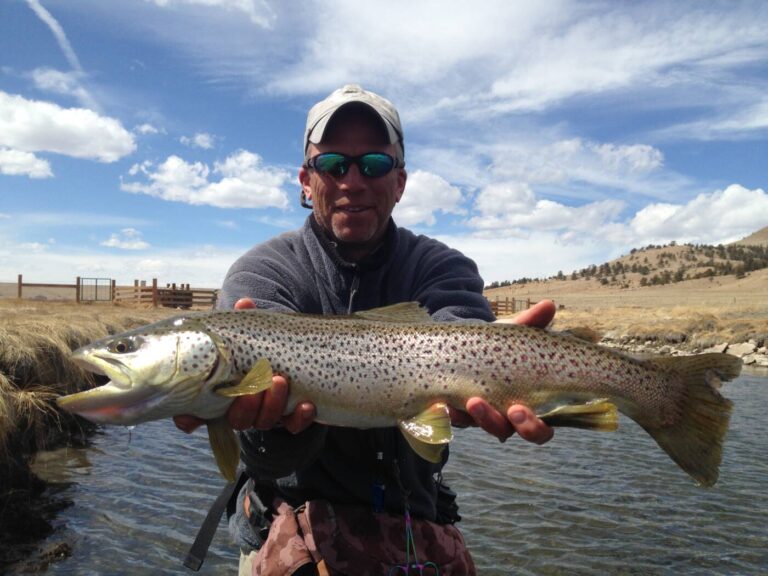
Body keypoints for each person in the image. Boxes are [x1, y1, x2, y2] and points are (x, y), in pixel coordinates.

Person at [176, 84, 554, 575]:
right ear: (306, 181)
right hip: (287, 522)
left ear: (399, 181)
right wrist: (271, 427)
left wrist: (504, 362)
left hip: (414, 521)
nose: (353, 180)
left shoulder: (441, 266)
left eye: (373, 164)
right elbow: (266, 460)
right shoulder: (262, 274)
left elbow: (457, 329)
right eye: (333, 164)